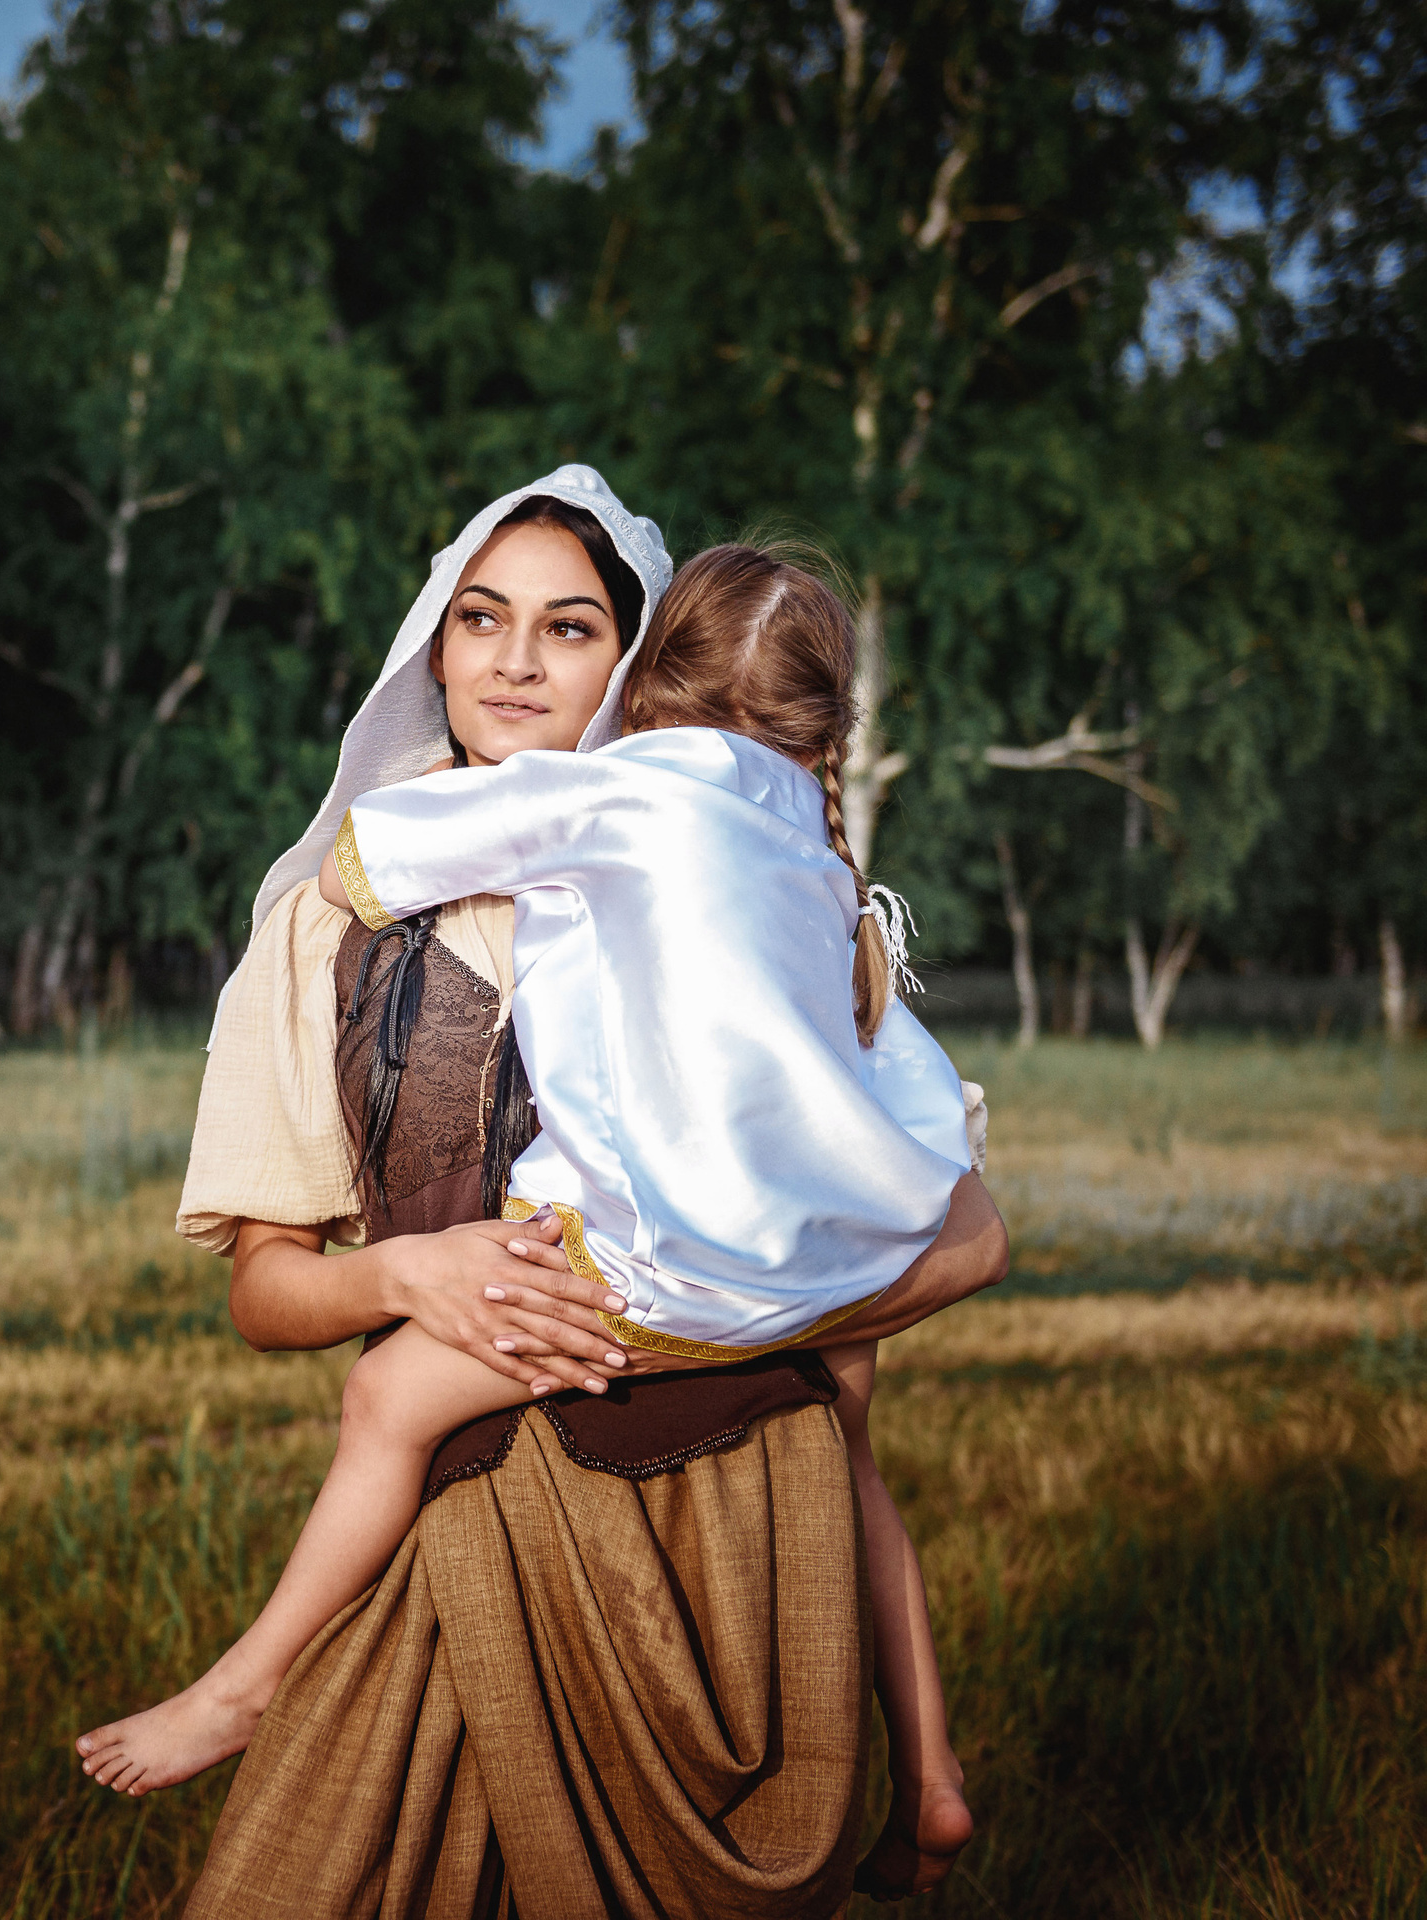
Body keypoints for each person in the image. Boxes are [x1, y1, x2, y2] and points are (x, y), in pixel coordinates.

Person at [74, 467, 1008, 1917]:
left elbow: (945, 1271)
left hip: (745, 1541)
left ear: (638, 665)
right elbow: (267, 1291)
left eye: (569, 627)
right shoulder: (323, 937)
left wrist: (682, 1317)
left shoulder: (759, 915)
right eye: (479, 618)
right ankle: (253, 1688)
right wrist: (404, 1277)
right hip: (462, 1520)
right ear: (431, 646)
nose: (513, 660)